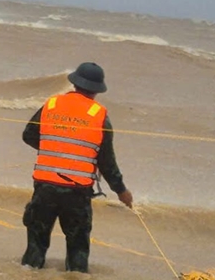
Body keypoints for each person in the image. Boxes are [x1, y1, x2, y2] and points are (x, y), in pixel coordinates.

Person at [20, 62, 133, 273]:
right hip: (77, 193)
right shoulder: (99, 115)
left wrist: (55, 148)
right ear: (97, 90)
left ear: (74, 83)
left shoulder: (52, 104)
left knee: (35, 247)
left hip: (44, 188)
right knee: (77, 248)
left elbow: (28, 135)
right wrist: (121, 191)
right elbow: (106, 162)